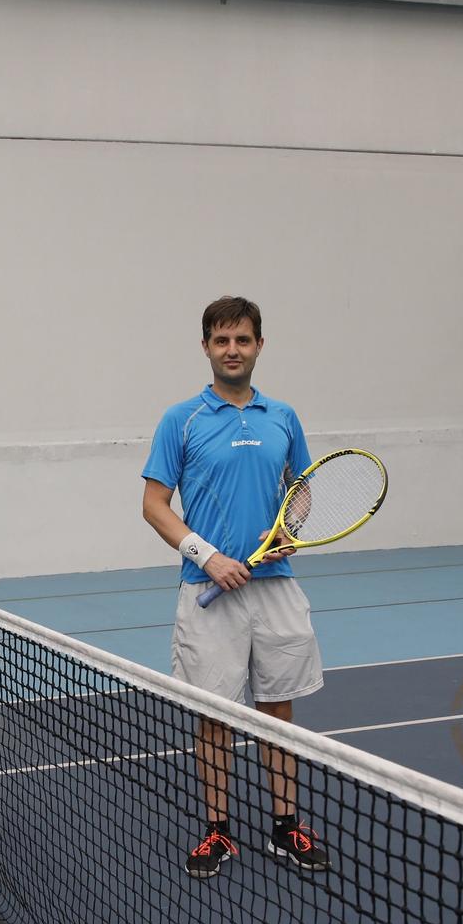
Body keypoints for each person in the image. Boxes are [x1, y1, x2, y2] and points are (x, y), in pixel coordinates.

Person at [140, 296, 331, 879]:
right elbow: (154, 505)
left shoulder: (283, 417)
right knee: (214, 715)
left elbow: (301, 486)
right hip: (208, 586)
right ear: (206, 347)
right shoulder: (182, 419)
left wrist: (290, 530)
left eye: (242, 340)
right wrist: (209, 556)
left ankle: (285, 825)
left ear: (258, 346)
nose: (232, 350)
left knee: (277, 710)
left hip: (275, 587)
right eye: (221, 341)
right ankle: (218, 829)